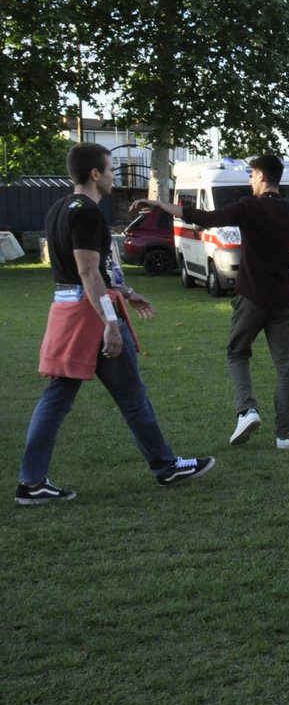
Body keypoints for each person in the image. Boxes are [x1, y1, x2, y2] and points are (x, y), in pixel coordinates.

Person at [16, 143, 215, 504]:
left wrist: (126, 290)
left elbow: (79, 275)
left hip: (66, 310)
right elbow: (88, 271)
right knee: (132, 397)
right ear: (95, 173)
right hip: (91, 316)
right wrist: (110, 321)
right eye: (109, 169)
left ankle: (31, 482)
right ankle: (166, 467)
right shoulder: (89, 213)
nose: (113, 176)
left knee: (58, 397)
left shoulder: (58, 209)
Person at [136, 154, 289, 450]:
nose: (249, 180)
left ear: (263, 177)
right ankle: (285, 435)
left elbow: (203, 217)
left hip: (251, 296)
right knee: (285, 367)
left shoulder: (248, 208)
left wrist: (158, 205)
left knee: (237, 354)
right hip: (284, 299)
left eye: (252, 175)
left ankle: (247, 410)